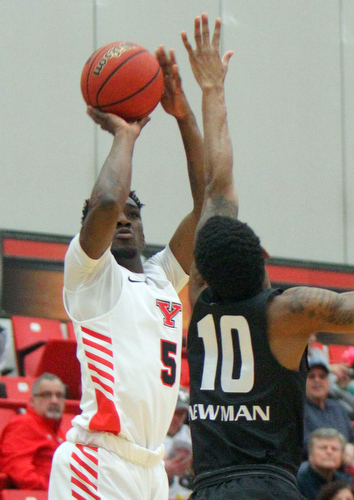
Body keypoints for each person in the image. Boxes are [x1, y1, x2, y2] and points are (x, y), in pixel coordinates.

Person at [182, 12, 354, 500]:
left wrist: (212, 92)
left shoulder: (199, 296)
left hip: (209, 488)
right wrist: (213, 86)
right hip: (269, 487)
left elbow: (217, 185)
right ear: (263, 258)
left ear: (205, 270)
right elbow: (348, 309)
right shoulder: (287, 311)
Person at [48, 42, 204, 500]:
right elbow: (108, 201)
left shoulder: (163, 277)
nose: (121, 218)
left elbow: (207, 201)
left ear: (142, 225)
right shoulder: (89, 275)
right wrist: (125, 135)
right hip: (98, 460)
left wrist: (184, 116)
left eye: (133, 214)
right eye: (111, 215)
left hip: (151, 468)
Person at [0, 372, 66, 490]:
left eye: (59, 395)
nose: (54, 401)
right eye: (46, 395)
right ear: (32, 401)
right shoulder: (23, 424)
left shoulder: (58, 432)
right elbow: (17, 470)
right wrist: (53, 493)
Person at [304, 360, 354, 460]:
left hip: (343, 468)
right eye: (311, 376)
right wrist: (341, 450)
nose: (317, 380)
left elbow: (351, 439)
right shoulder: (298, 409)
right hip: (310, 469)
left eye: (322, 377)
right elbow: (302, 445)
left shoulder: (338, 408)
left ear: (328, 382)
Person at [297, 428, 352, 500]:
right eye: (323, 448)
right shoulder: (297, 481)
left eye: (334, 449)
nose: (329, 452)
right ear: (310, 454)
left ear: (342, 455)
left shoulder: (344, 482)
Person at [164, 386, 193, 499]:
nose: (176, 418)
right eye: (173, 412)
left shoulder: (192, 435)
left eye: (181, 413)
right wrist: (164, 469)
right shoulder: (149, 434)